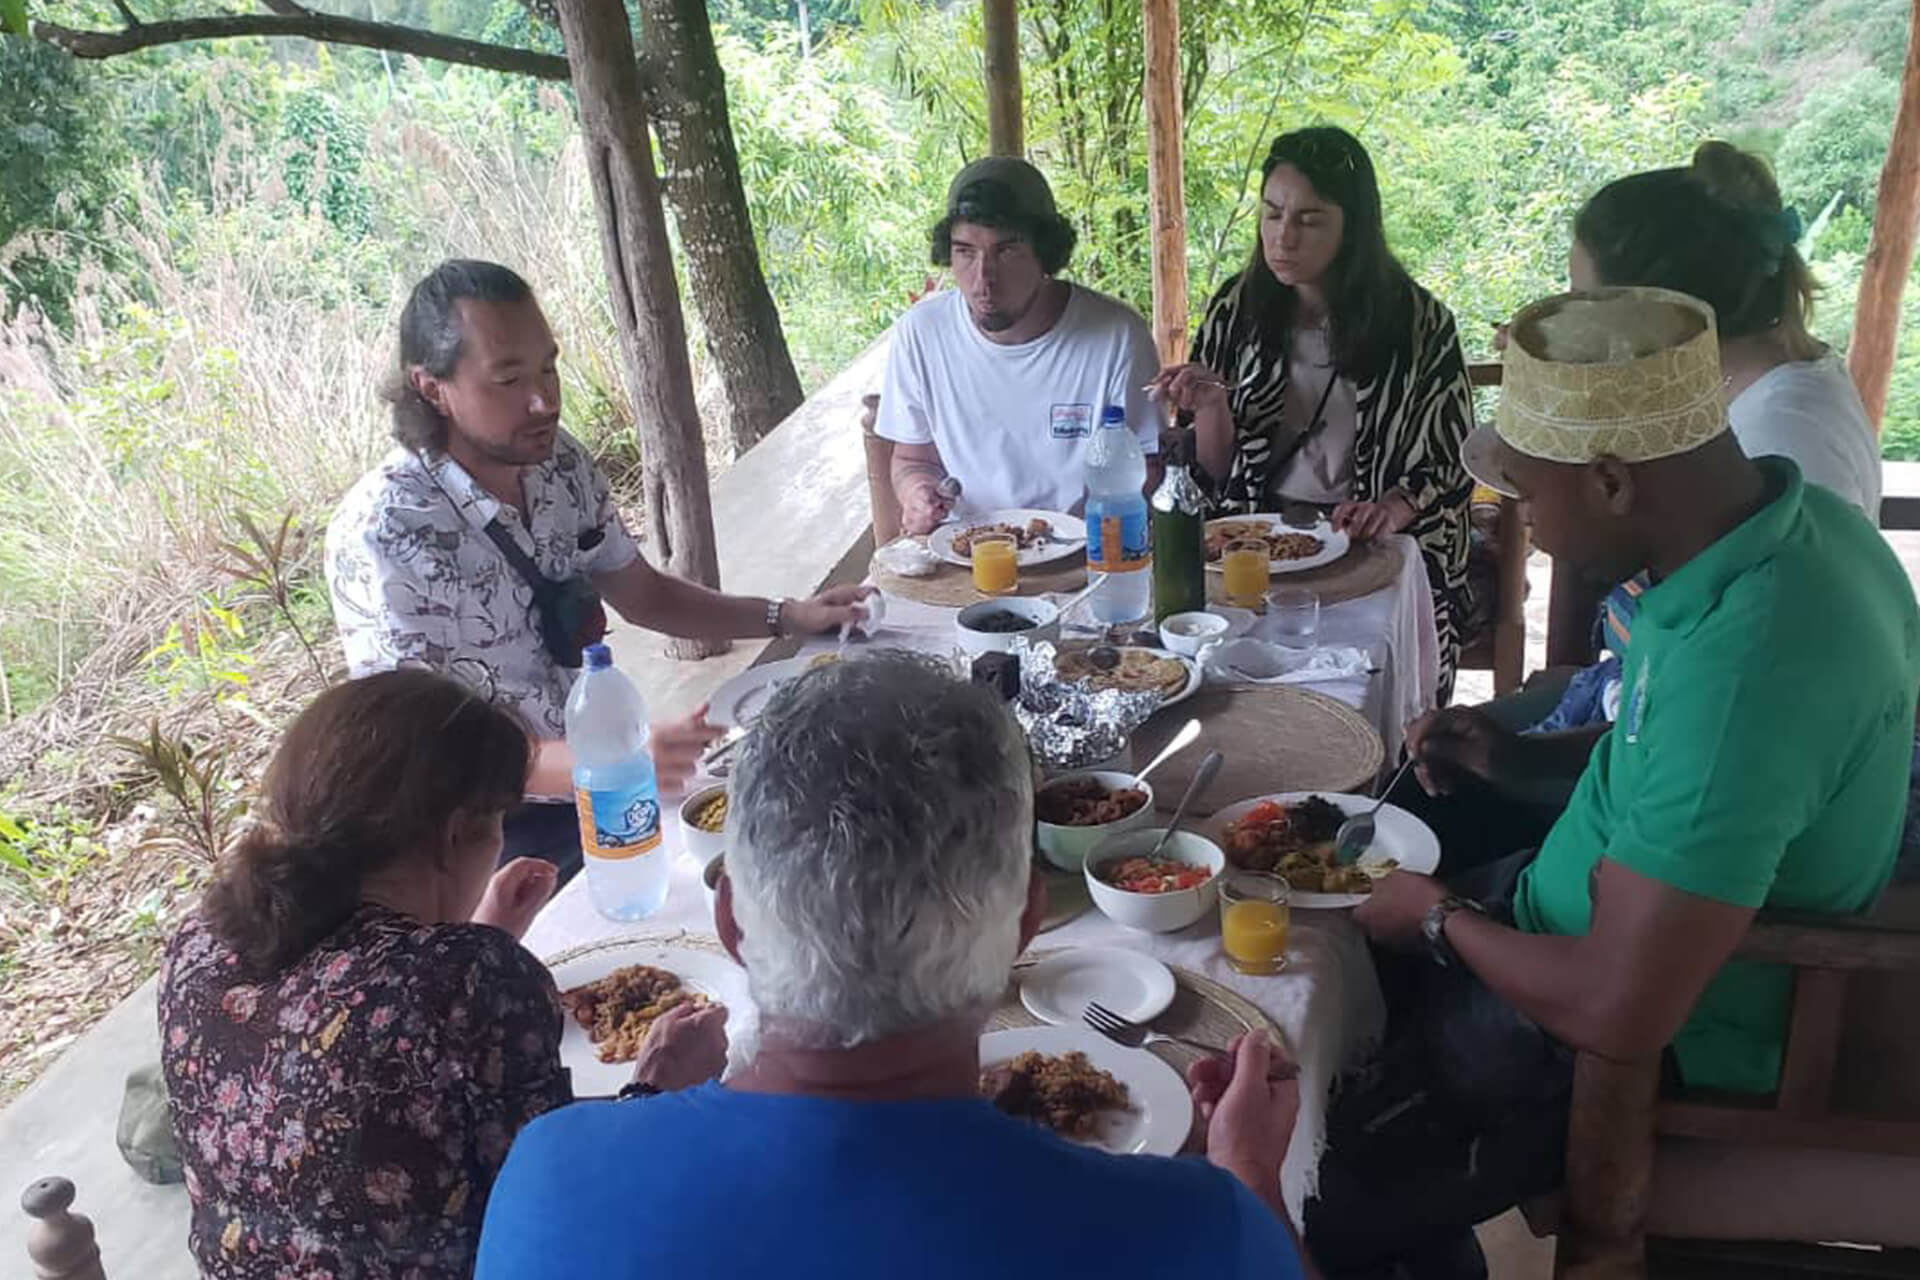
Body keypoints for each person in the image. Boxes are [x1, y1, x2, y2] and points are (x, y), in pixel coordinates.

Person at [1301, 287, 1918, 1279]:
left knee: (1304, 1188)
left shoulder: (1751, 666)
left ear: (1615, 481)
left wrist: (1434, 915)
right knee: (1326, 1008)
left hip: (1636, 1035)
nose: (1529, 526)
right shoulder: (1781, 530)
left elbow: (1615, 1008)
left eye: (1534, 495)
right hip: (1573, 919)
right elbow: (1682, 758)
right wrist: (1522, 758)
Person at [475, 653, 1314, 1279]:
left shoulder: (549, 1177)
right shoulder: (1195, 1232)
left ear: (731, 922)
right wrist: (1250, 1180)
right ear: (1026, 922)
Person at [159, 670, 728, 1280]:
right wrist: (656, 1092)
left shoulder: (198, 941)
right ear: (458, 832)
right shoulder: (465, 979)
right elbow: (564, 1210)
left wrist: (478, 936)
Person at [326, 260, 869, 877]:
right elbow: (424, 749)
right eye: (507, 379)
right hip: (483, 834)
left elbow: (644, 593)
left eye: (549, 368)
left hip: (608, 784)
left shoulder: (559, 463)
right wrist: (608, 766)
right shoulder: (386, 531)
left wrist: (789, 615)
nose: (543, 401)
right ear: (431, 388)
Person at [1520, 141, 1884, 736]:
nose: (1576, 326)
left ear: (1660, 316)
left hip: (1700, 726)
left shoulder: (1783, 437)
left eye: (1586, 305)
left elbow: (1755, 699)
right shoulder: (1742, 385)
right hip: (1648, 689)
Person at [1157, 126, 1474, 699]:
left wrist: (1393, 509)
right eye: (1273, 213)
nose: (1283, 237)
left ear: (1352, 226)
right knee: (1236, 687)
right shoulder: (1238, 308)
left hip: (1369, 547)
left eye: (1309, 219)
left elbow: (1451, 461)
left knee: (1359, 689)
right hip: (1257, 540)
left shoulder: (1419, 324)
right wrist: (1211, 408)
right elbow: (1216, 470)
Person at [878, 158, 1164, 530]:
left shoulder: (1116, 336)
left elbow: (1149, 467)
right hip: (966, 558)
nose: (983, 278)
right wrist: (919, 491)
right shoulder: (921, 333)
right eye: (965, 251)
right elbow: (912, 459)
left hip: (1087, 555)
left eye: (1006, 251)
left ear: (1045, 253)